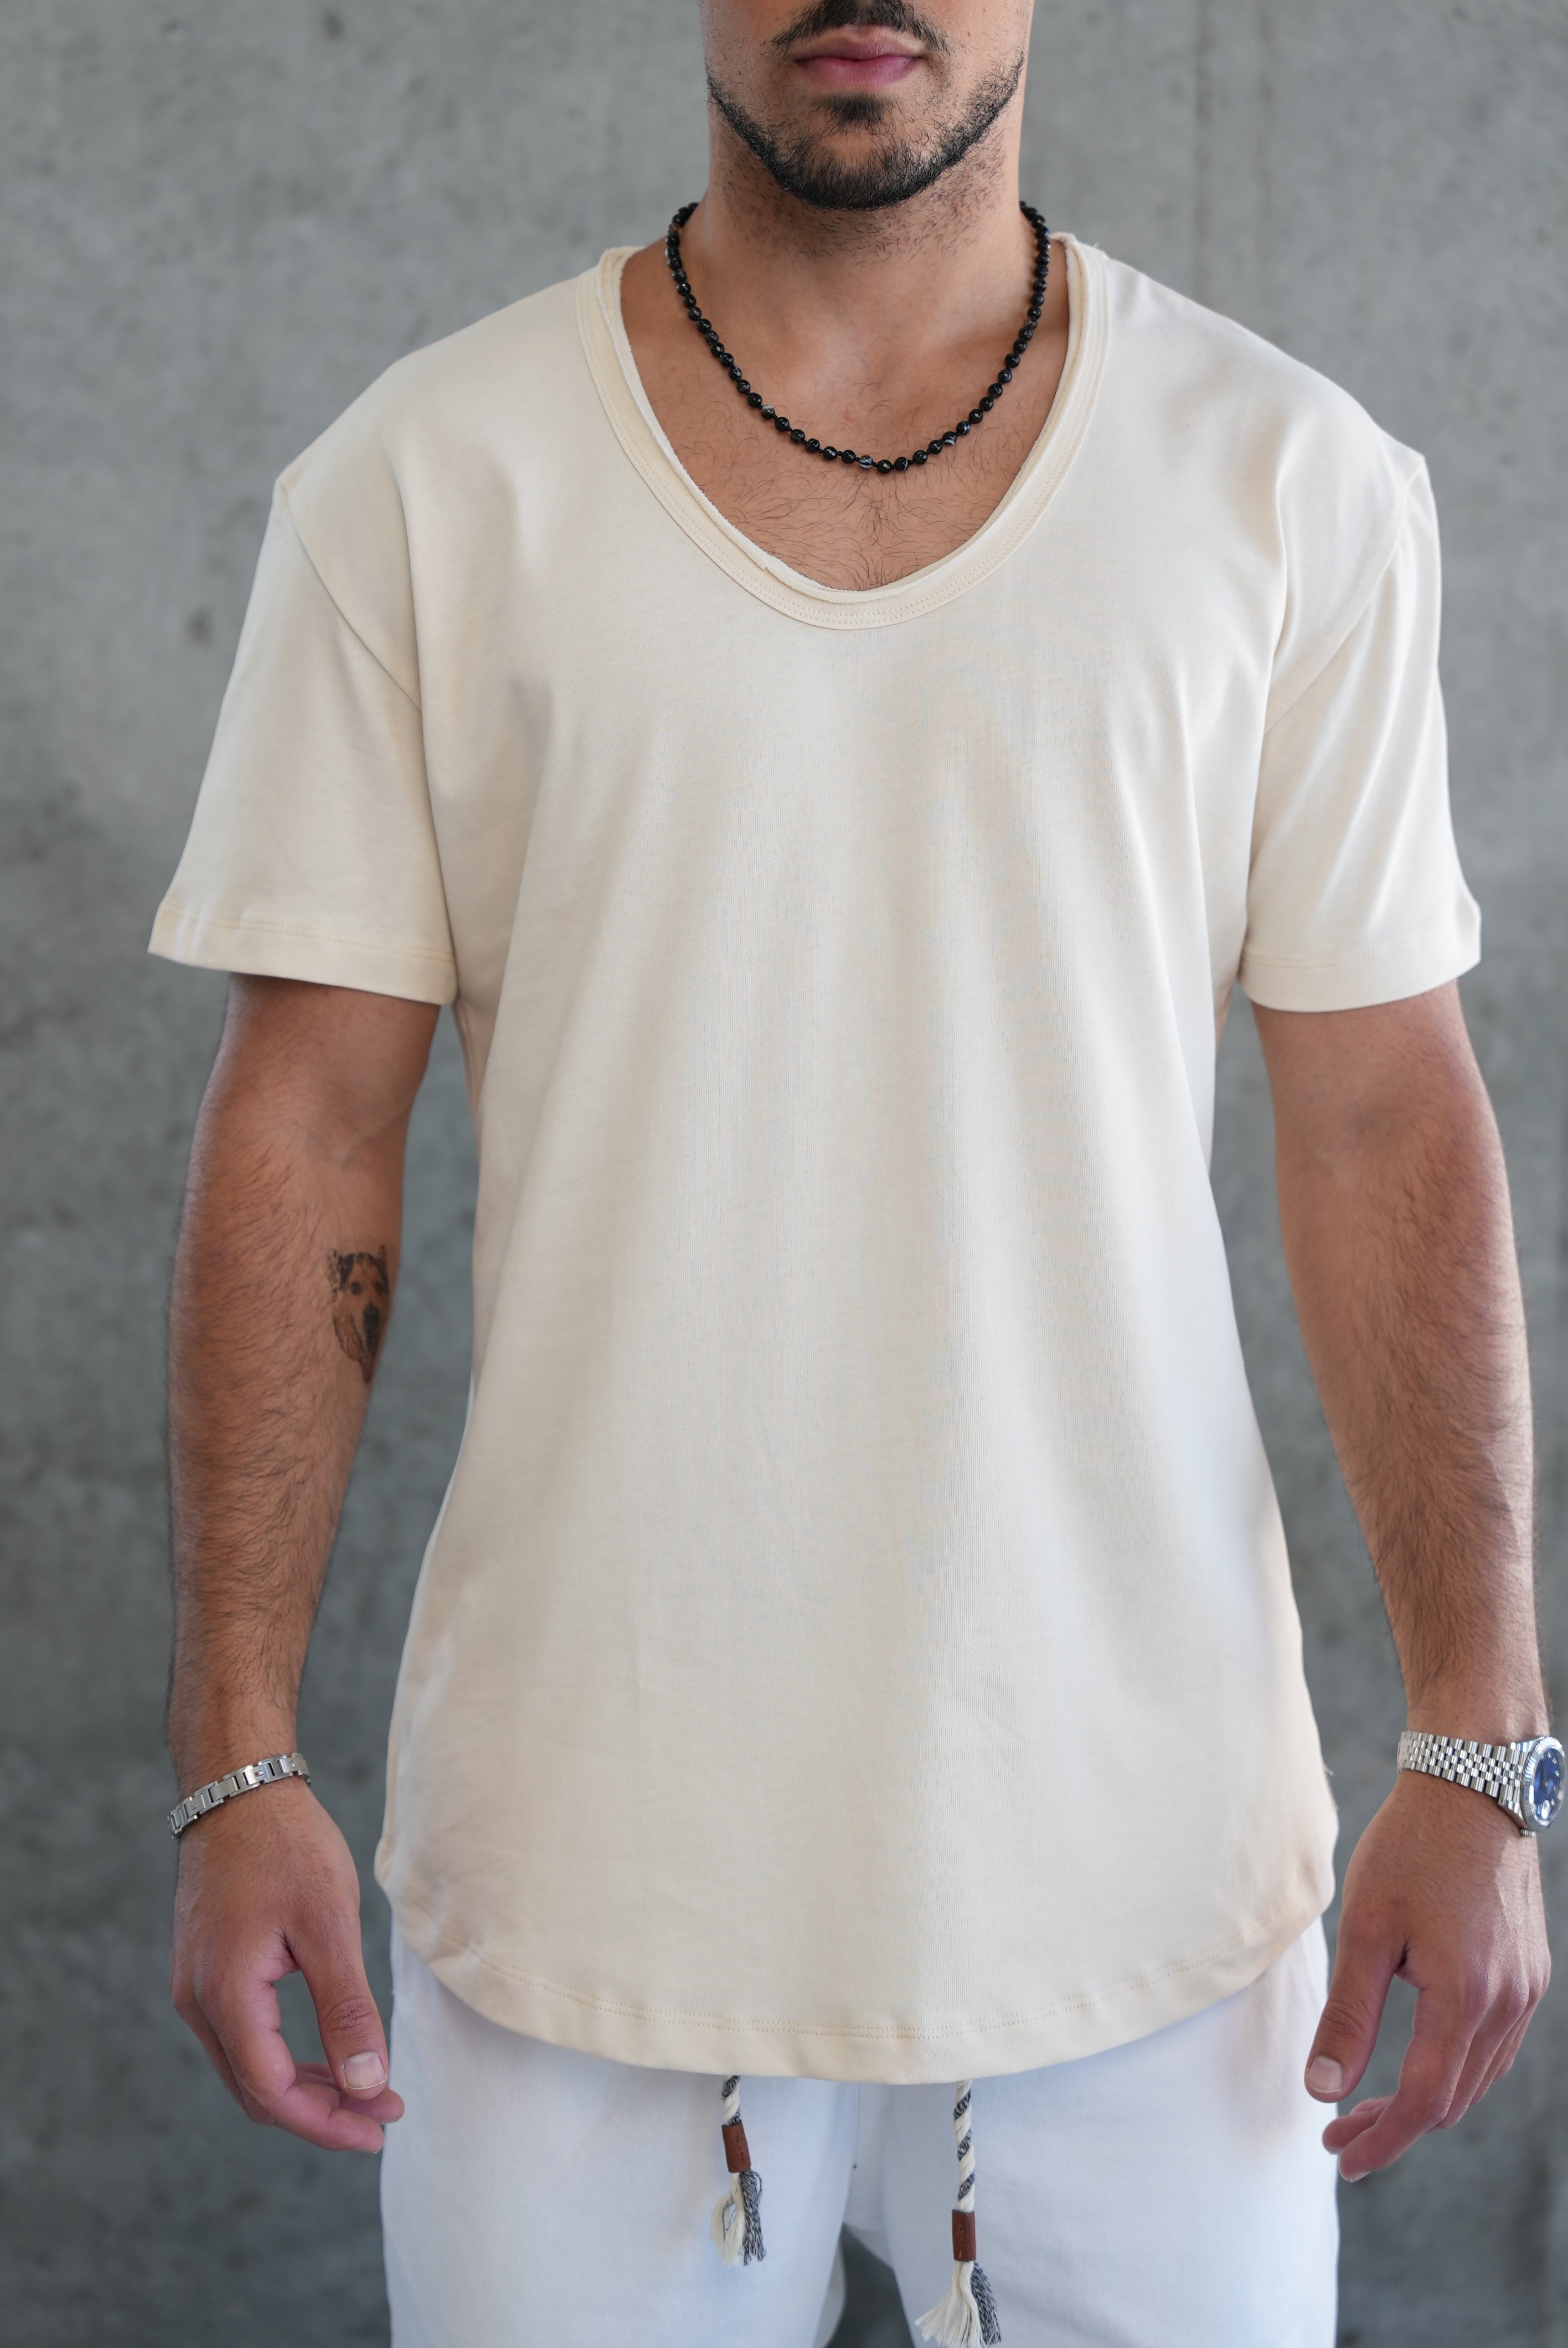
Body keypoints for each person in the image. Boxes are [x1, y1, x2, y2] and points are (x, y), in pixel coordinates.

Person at [153, 3, 1555, 2341]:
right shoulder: (427, 481)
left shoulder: (1288, 481)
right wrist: (229, 1752)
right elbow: (304, 1124)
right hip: (590, 1880)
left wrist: (1483, 1737)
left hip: (1144, 1886)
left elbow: (1386, 1116)